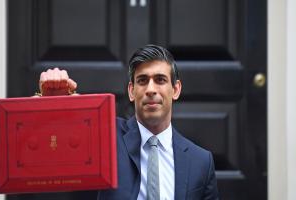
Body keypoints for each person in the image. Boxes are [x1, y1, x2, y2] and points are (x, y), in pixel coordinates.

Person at [39, 44, 219, 200]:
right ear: (132, 91)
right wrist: (55, 104)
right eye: (142, 81)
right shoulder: (105, 135)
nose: (150, 89)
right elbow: (59, 143)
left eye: (160, 80)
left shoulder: (201, 161)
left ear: (176, 89)